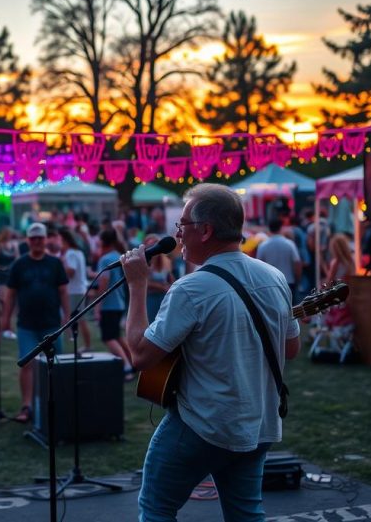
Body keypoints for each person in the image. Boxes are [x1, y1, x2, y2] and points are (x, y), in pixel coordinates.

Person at [120, 183, 300, 522]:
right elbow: (291, 348)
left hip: (202, 424)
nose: (178, 234)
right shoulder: (274, 277)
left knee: (156, 509)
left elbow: (141, 356)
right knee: (246, 513)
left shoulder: (192, 287)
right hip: (257, 423)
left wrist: (137, 285)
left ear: (205, 230)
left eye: (183, 225)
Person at [1, 222, 69, 424]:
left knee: (56, 365)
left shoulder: (54, 264)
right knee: (27, 364)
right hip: (27, 325)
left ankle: (57, 403)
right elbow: (11, 294)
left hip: (52, 324)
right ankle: (27, 406)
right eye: (33, 238)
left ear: (45, 239)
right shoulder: (19, 264)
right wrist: (5, 319)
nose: (37, 242)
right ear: (28, 241)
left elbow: (63, 290)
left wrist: (67, 316)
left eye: (40, 238)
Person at [94, 229, 135, 380]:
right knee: (117, 336)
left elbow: (104, 282)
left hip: (109, 305)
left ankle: (126, 367)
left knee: (108, 337)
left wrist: (98, 305)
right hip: (119, 302)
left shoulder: (104, 259)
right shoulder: (119, 256)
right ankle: (133, 362)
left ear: (104, 241)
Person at [59, 228, 92, 352]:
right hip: (78, 289)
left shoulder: (70, 253)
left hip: (74, 291)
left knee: (78, 319)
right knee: (73, 318)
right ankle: (69, 340)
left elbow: (71, 272)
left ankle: (86, 345)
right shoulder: (78, 252)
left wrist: (61, 264)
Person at [255, 218, 302, 299]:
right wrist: (297, 279)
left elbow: (258, 266)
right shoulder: (290, 244)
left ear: (269, 228)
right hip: (288, 282)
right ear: (281, 228)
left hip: (270, 284)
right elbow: (297, 263)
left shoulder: (263, 246)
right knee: (292, 309)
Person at [0, 227, 20, 339]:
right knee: (4, 304)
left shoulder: (13, 246)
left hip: (11, 278)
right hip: (0, 279)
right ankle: (3, 329)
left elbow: (18, 259)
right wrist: (0, 268)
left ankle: (7, 328)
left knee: (10, 305)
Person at [144, 234, 174, 322]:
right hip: (150, 298)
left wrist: (172, 287)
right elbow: (145, 282)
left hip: (163, 298)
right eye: (150, 245)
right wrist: (163, 287)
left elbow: (170, 278)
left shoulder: (166, 261)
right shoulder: (145, 262)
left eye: (155, 244)